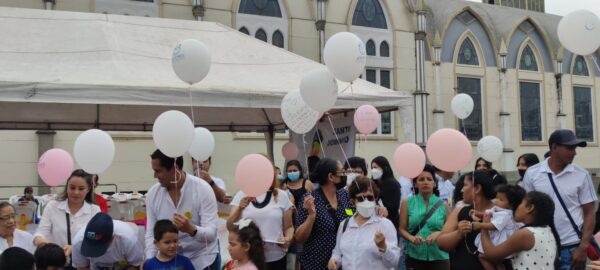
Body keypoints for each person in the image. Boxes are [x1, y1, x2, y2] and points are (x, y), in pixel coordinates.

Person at [521, 129, 597, 270]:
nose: (574, 152)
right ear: (554, 147)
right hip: (542, 244)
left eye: (574, 148)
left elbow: (589, 212)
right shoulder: (533, 173)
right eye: (569, 148)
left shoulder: (582, 175)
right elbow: (525, 210)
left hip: (572, 248)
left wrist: (583, 246)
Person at [145, 150, 219, 270]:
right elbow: (151, 233)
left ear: (175, 168)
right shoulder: (153, 194)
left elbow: (211, 233)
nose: (154, 176)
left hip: (203, 259)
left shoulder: (202, 189)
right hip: (171, 263)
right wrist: (150, 260)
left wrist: (191, 229)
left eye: (158, 171)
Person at [437, 171, 512, 270]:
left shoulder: (501, 213)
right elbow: (441, 244)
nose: (462, 190)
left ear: (477, 188)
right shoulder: (460, 211)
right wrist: (458, 233)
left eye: (465, 185)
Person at [227, 167, 294, 269]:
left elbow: (289, 227)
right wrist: (239, 209)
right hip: (249, 258)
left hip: (276, 258)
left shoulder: (282, 195)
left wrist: (288, 239)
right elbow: (230, 226)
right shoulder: (242, 194)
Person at [328, 176, 400, 269]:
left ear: (375, 199)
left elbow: (395, 262)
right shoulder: (345, 225)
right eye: (361, 198)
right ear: (353, 202)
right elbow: (338, 252)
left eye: (370, 198)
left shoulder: (385, 224)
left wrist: (384, 247)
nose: (366, 201)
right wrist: (334, 261)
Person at [295, 158, 353, 270]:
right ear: (331, 177)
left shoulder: (344, 196)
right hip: (316, 263)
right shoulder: (310, 199)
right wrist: (311, 216)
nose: (344, 175)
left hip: (341, 263)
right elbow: (299, 238)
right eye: (342, 172)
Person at [479, 191, 560, 269]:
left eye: (521, 203)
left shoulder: (525, 234)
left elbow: (491, 254)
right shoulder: (547, 230)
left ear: (530, 208)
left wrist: (484, 226)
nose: (517, 206)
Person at [34, 169, 101, 260]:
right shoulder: (53, 206)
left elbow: (96, 237)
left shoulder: (95, 210)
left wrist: (75, 247)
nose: (76, 192)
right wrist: (50, 247)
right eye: (72, 188)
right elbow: (40, 234)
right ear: (67, 187)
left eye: (81, 189)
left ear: (88, 189)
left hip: (84, 264)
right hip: (56, 262)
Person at [399, 164, 450, 270]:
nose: (425, 182)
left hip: (439, 257)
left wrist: (439, 233)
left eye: (429, 179)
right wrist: (412, 238)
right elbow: (402, 229)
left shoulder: (443, 205)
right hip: (414, 256)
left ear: (434, 183)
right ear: (415, 184)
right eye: (421, 179)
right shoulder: (407, 202)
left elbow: (451, 229)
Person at [473, 185, 525, 270]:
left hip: (498, 242)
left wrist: (480, 225)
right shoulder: (499, 209)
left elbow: (493, 226)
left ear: (511, 204)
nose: (496, 201)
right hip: (496, 239)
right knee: (496, 261)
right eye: (496, 198)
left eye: (501, 200)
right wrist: (478, 214)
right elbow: (489, 214)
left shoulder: (505, 214)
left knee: (482, 257)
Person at [71, 212, 143, 269]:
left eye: (98, 247)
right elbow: (82, 267)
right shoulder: (78, 242)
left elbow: (136, 265)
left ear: (112, 238)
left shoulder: (127, 239)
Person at [371, 156, 401, 233]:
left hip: (389, 224)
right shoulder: (373, 184)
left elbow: (393, 207)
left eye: (376, 167)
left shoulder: (392, 184)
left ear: (385, 168)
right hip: (375, 224)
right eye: (372, 168)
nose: (373, 170)